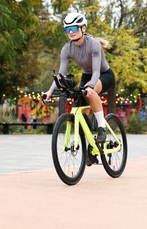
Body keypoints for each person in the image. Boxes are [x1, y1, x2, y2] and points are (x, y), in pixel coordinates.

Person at [43, 12, 115, 143]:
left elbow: (96, 71)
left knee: (90, 93)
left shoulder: (94, 44)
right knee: (81, 116)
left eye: (74, 28)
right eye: (67, 29)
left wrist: (91, 86)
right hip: (86, 75)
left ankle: (101, 127)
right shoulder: (66, 49)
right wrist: (50, 91)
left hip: (104, 74)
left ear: (83, 28)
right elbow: (61, 74)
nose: (71, 32)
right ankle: (90, 149)